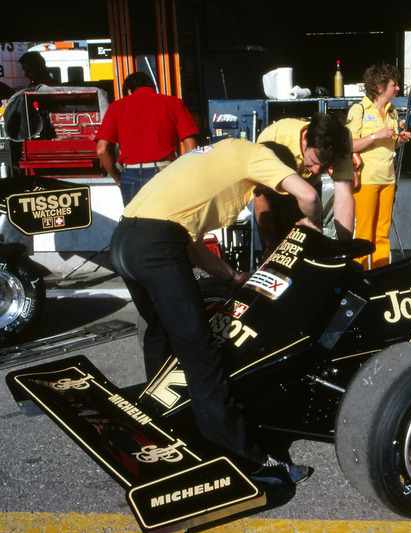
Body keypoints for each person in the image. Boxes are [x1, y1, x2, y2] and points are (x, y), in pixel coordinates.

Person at [109, 138, 320, 486]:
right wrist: (312, 227)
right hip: (155, 245)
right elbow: (309, 197)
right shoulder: (258, 155)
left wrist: (233, 277)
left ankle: (164, 425)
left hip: (124, 241)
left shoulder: (220, 153)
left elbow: (189, 243)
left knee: (161, 335)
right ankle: (248, 460)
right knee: (200, 354)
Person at [95, 72, 199, 205]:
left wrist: (117, 177)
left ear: (128, 91)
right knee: (166, 222)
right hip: (165, 172)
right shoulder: (174, 103)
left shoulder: (116, 107)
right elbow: (191, 148)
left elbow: (102, 150)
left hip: (130, 174)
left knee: (136, 224)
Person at [345, 62, 411, 269]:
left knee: (382, 232)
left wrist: (400, 139)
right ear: (380, 87)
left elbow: (389, 145)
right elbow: (349, 145)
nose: (398, 88)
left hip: (388, 179)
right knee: (364, 232)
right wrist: (375, 135)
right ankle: (358, 275)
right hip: (366, 179)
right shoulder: (359, 109)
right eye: (395, 84)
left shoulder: (392, 112)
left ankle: (380, 273)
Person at [255, 113, 353, 253]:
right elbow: (260, 195)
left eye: (326, 167)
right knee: (280, 254)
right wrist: (270, 244)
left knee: (310, 248)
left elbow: (344, 196)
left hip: (311, 188)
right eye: (313, 162)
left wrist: (346, 250)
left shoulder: (341, 141)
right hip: (276, 193)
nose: (317, 170)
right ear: (306, 140)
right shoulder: (273, 138)